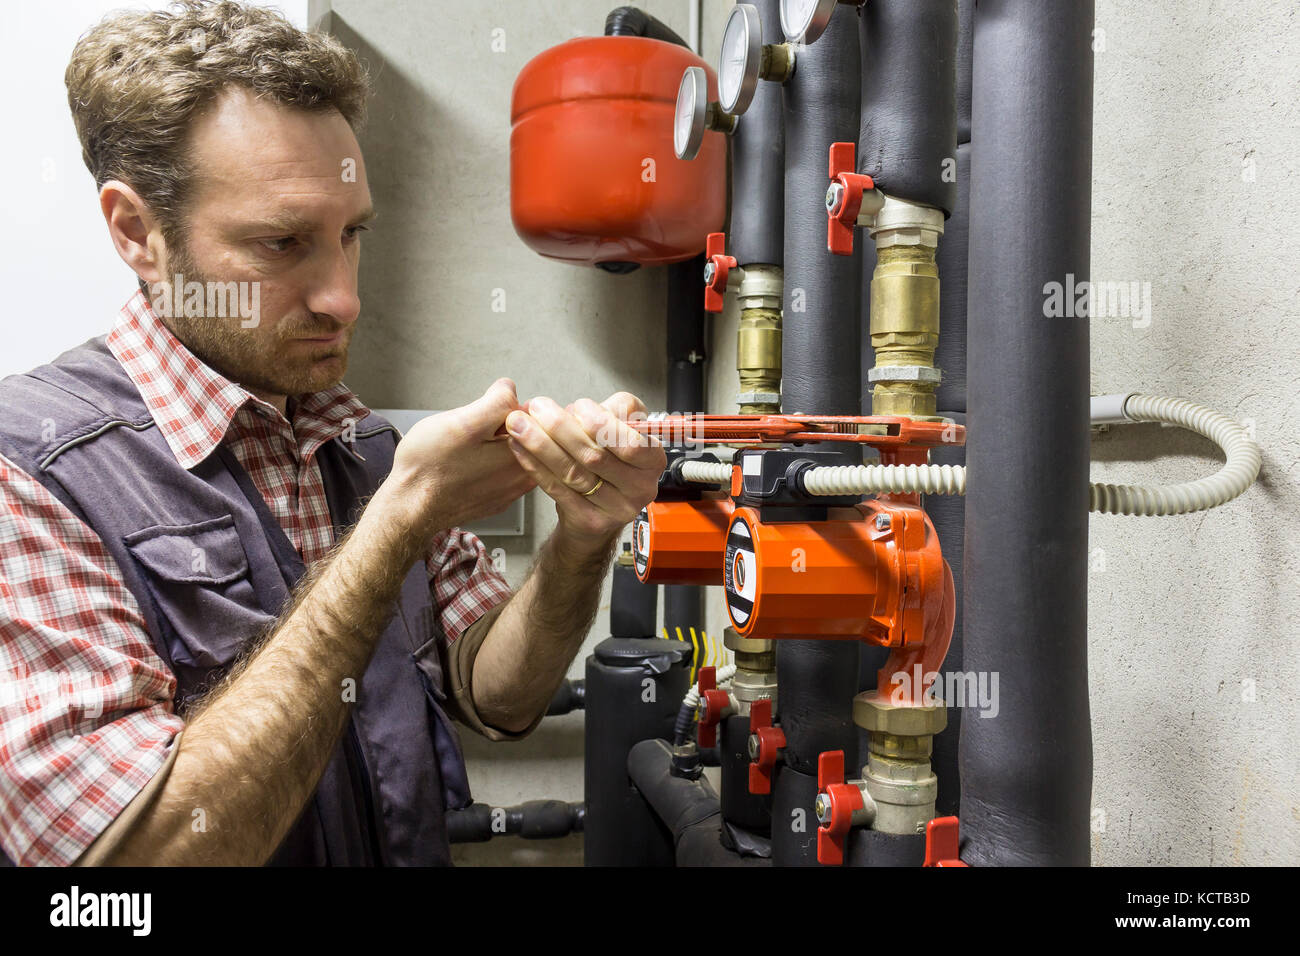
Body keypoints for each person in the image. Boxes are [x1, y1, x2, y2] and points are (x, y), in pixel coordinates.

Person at [0, 0, 664, 866]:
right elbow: (130, 870)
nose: (344, 298)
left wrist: (581, 536)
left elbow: (497, 695)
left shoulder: (356, 439)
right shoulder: (29, 474)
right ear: (137, 232)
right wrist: (394, 527)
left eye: (351, 235)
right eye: (282, 243)